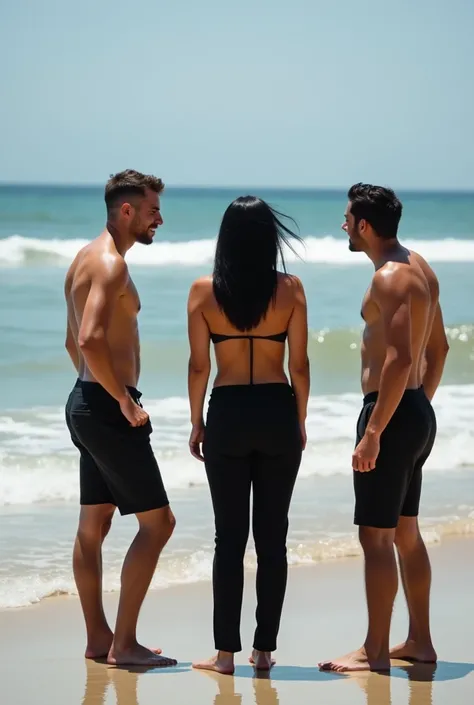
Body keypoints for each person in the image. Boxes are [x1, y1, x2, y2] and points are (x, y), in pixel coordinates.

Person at [319, 183, 449, 673]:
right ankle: (419, 641)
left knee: (376, 538)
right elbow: (438, 352)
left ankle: (374, 652)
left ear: (365, 225)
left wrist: (376, 430)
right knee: (406, 533)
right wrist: (416, 410)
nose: (344, 226)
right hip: (414, 411)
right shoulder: (422, 269)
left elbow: (395, 360)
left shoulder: (388, 279)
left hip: (390, 414)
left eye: (348, 218)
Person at [187, 196, 309, 675]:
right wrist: (299, 419)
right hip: (277, 410)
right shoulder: (291, 290)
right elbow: (298, 364)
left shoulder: (203, 292)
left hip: (230, 413)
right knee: (273, 539)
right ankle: (263, 651)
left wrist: (197, 420)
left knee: (229, 540)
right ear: (268, 237)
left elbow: (200, 365)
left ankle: (224, 656)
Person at [64, 169, 177, 667]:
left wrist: (94, 393)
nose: (160, 219)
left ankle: (98, 638)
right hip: (108, 408)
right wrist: (124, 402)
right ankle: (123, 644)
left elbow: (72, 343)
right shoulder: (110, 265)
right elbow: (88, 339)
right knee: (159, 524)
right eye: (153, 210)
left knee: (95, 524)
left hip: (87, 401)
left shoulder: (83, 259)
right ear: (126, 210)